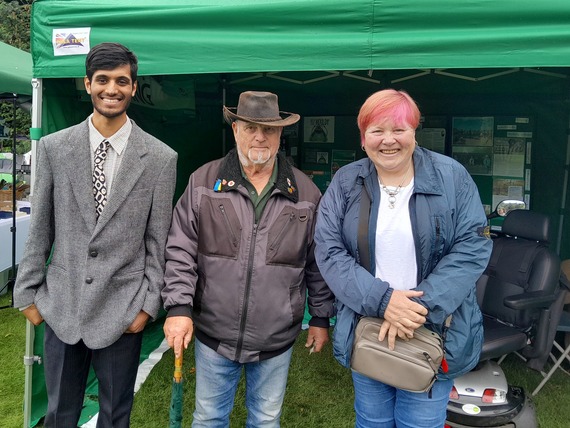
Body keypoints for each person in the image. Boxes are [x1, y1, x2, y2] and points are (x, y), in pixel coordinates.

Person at [13, 42, 177, 427]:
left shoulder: (160, 158)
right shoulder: (54, 148)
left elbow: (159, 241)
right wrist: (27, 294)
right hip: (61, 307)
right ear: (87, 84)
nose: (112, 89)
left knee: (117, 414)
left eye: (122, 81)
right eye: (102, 80)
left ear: (134, 88)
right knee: (59, 413)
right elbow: (41, 228)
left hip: (123, 311)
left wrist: (148, 306)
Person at [314, 89, 492, 427]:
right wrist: (383, 302)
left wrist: (415, 309)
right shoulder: (346, 181)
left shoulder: (452, 178)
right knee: (371, 421)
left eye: (399, 130)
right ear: (363, 137)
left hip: (432, 331)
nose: (388, 141)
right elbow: (328, 248)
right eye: (377, 131)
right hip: (368, 329)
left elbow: (473, 245)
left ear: (414, 131)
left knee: (420, 423)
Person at [162, 91, 335, 427]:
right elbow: (180, 248)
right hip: (214, 332)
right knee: (209, 418)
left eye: (269, 129)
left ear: (280, 134)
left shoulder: (306, 193)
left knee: (266, 420)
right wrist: (179, 308)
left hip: (276, 336)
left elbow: (318, 262)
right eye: (251, 127)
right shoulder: (203, 182)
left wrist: (321, 318)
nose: (260, 136)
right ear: (236, 129)